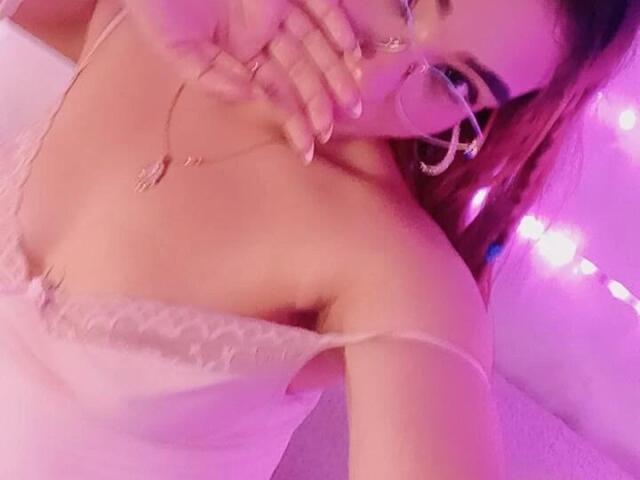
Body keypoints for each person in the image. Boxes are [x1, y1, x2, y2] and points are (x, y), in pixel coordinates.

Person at [0, 1, 637, 479]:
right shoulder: (149, 16)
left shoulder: (393, 268)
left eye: (452, 82)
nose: (372, 76)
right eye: (405, 1)